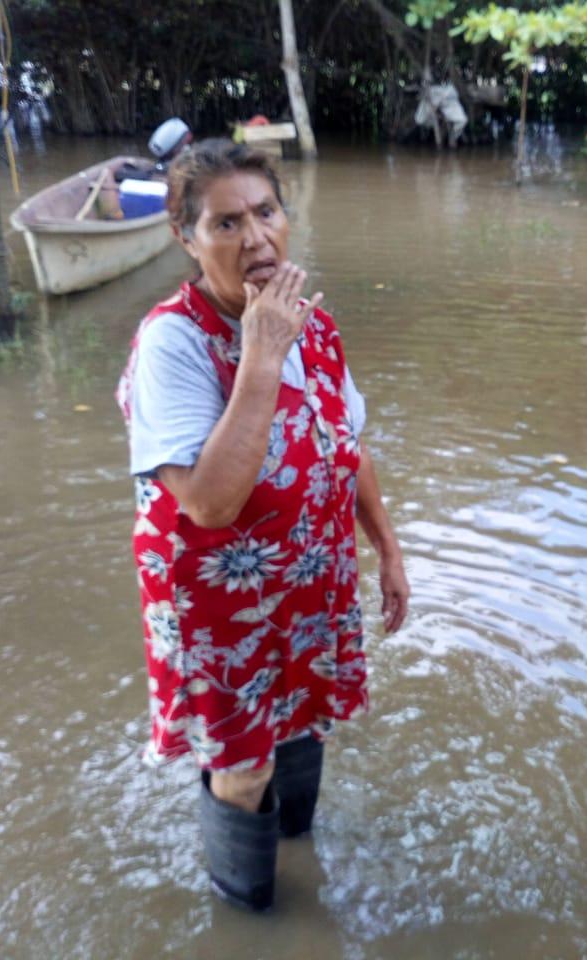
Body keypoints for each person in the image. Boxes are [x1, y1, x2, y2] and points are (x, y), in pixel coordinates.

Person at [115, 138, 410, 911]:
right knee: (243, 763)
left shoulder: (310, 321)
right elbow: (208, 502)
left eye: (266, 212)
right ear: (185, 237)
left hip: (309, 582)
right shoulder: (171, 343)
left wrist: (387, 550)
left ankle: (296, 844)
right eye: (224, 224)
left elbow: (347, 445)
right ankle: (247, 908)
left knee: (306, 720)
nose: (255, 239)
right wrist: (262, 353)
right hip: (220, 606)